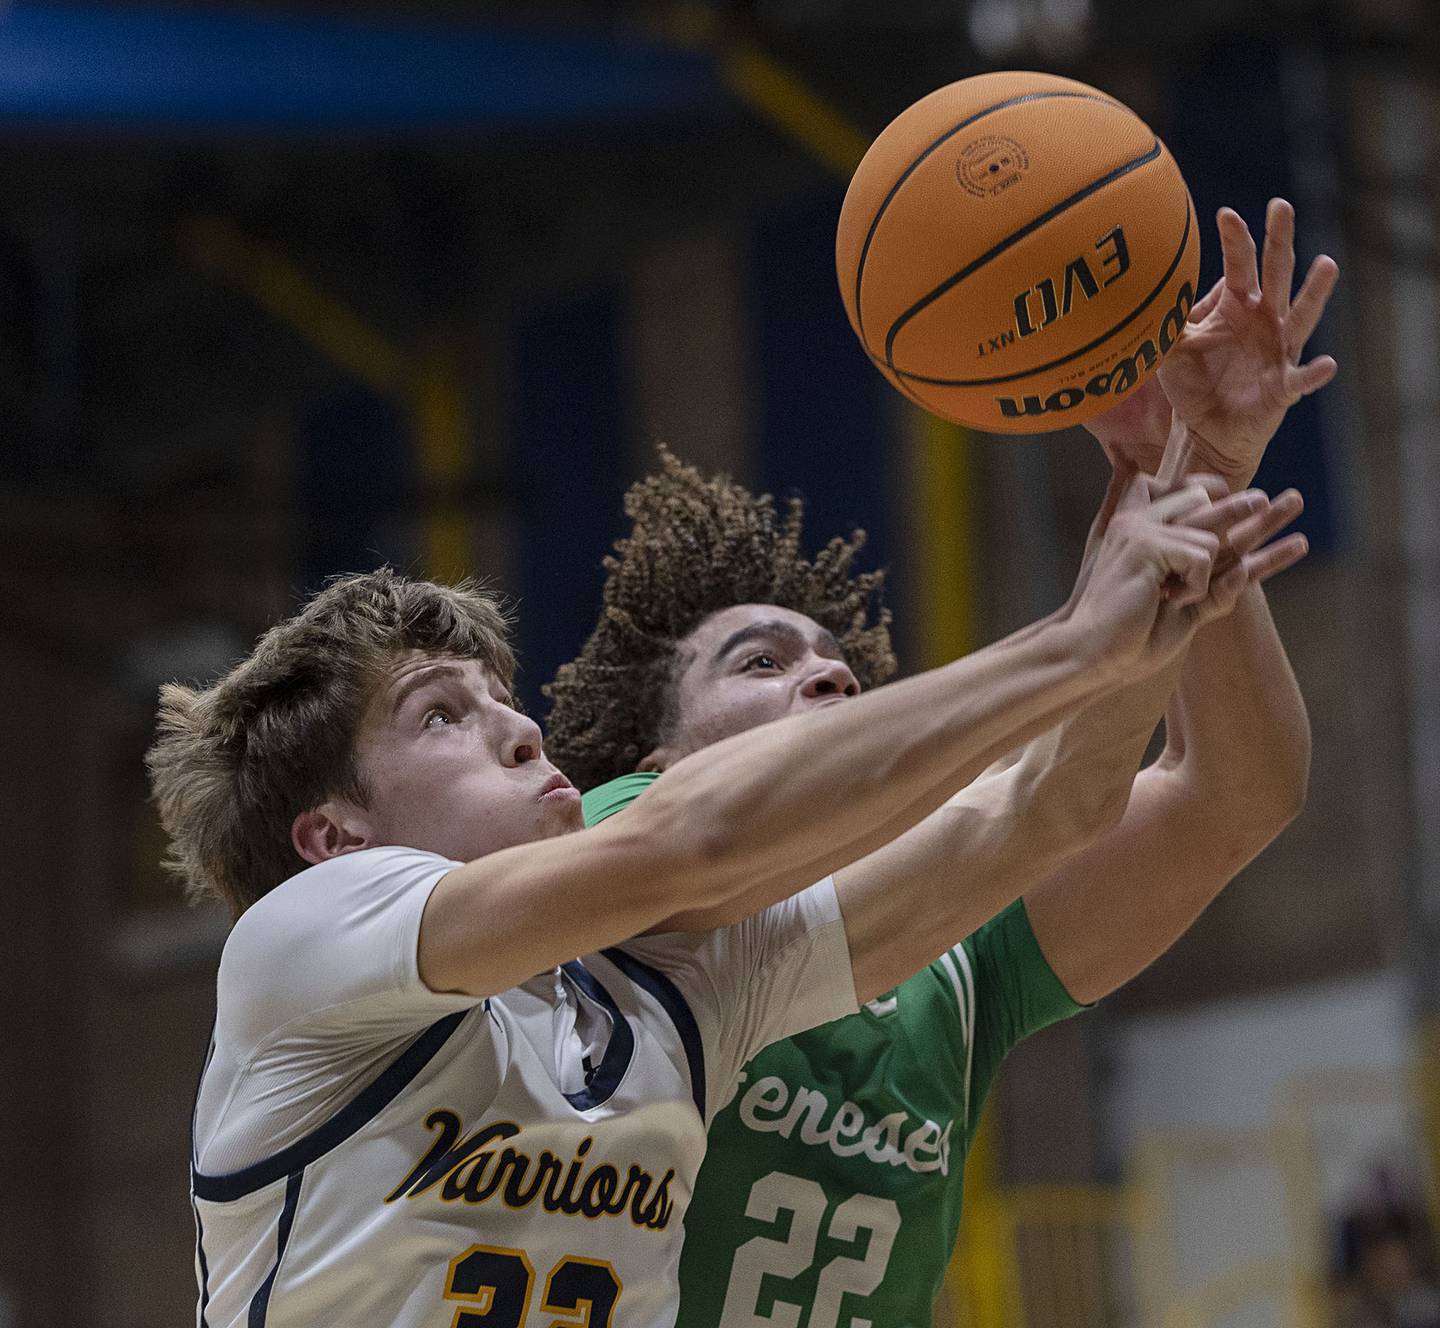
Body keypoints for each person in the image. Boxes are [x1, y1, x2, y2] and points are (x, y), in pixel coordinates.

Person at [148, 443, 1281, 1322]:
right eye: (443, 713)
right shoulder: (299, 950)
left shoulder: (674, 1002)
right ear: (333, 837)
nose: (520, 727)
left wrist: (1178, 515)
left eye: (503, 696)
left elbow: (1042, 810)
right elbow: (682, 845)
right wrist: (1079, 641)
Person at [543, 199, 1336, 1326]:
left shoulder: (963, 950)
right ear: (664, 755)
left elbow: (1235, 796)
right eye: (759, 662)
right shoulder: (623, 838)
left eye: (837, 666)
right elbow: (729, 839)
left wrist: (1193, 464)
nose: (823, 677)